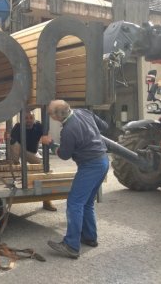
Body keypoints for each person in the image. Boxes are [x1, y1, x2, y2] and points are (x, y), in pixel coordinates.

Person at [41, 100, 109, 259]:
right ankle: (90, 237)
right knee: (87, 203)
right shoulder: (84, 112)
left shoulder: (68, 130)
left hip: (90, 165)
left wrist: (50, 144)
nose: (49, 116)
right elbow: (104, 126)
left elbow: (64, 155)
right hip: (103, 161)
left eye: (50, 113)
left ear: (56, 116)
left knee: (74, 203)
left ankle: (71, 245)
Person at [9, 110, 57, 212]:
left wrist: (53, 145)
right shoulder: (18, 127)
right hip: (19, 151)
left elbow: (47, 137)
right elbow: (12, 143)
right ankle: (17, 168)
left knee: (43, 168)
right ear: (22, 120)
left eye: (31, 118)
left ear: (34, 119)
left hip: (31, 153)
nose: (28, 121)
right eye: (26, 118)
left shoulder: (38, 126)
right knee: (15, 145)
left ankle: (46, 201)